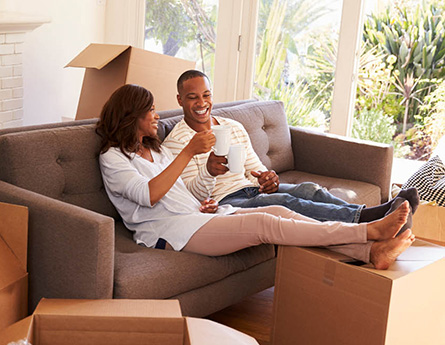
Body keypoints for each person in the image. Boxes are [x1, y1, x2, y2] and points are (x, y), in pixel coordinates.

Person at [96, 84, 415, 270]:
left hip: (197, 216)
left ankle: (371, 252)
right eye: (150, 110)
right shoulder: (112, 159)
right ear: (130, 116)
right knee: (266, 224)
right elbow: (149, 194)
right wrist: (189, 153)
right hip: (169, 233)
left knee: (279, 211)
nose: (156, 115)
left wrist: (205, 193)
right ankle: (367, 231)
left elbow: (180, 190)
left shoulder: (155, 150)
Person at [162, 70, 420, 225]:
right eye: (192, 97)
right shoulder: (177, 141)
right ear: (180, 100)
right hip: (225, 202)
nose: (201, 103)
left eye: (205, 95)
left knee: (308, 189)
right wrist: (209, 171)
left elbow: (255, 168)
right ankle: (369, 219)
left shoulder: (232, 126)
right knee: (284, 201)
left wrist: (268, 178)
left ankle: (375, 212)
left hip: (249, 189)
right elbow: (191, 195)